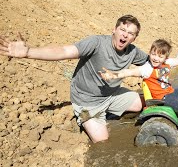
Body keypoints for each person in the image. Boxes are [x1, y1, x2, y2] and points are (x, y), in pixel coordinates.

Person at [0, 15, 149, 143]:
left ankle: (107, 114)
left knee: (141, 104)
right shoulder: (96, 43)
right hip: (87, 102)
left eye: (130, 33)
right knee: (103, 141)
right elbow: (64, 51)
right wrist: (28, 52)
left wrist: (168, 61)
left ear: (134, 38)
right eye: (122, 30)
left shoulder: (133, 52)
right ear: (114, 30)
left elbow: (154, 61)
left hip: (110, 95)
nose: (125, 35)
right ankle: (89, 119)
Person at [99, 39, 178, 142]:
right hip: (163, 98)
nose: (156, 58)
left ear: (165, 58)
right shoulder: (147, 69)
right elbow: (129, 72)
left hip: (170, 93)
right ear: (149, 52)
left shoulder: (167, 63)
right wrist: (113, 75)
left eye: (160, 56)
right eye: (153, 54)